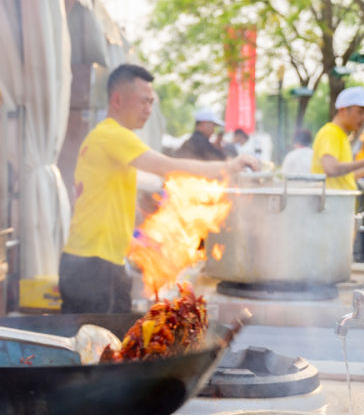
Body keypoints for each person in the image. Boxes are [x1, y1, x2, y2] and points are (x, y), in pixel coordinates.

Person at [58, 64, 259, 314]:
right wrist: (230, 166)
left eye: (151, 102)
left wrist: (141, 232)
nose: (148, 110)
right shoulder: (113, 135)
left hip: (99, 263)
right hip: (93, 267)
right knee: (98, 348)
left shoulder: (109, 140)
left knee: (111, 345)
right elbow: (168, 166)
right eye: (143, 101)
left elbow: (110, 200)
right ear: (117, 99)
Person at [311, 86, 364, 190]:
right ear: (343, 110)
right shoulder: (330, 132)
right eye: (360, 112)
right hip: (332, 204)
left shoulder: (341, 135)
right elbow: (331, 169)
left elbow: (344, 178)